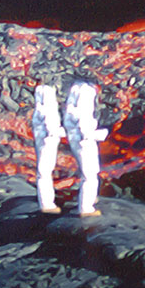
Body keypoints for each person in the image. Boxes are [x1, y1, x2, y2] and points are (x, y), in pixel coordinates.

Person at [32, 79, 108, 217]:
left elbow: (66, 124)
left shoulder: (67, 111)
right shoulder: (83, 103)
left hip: (67, 137)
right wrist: (100, 135)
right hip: (82, 141)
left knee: (43, 171)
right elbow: (84, 131)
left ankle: (48, 202)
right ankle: (86, 207)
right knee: (90, 174)